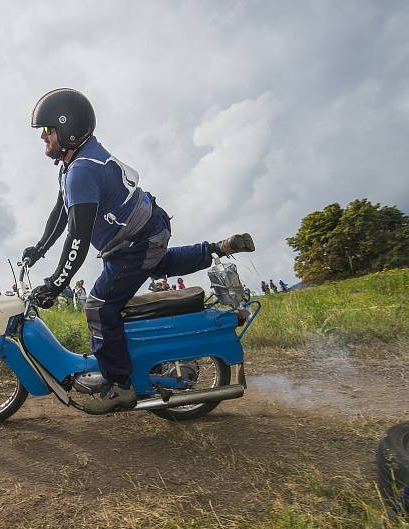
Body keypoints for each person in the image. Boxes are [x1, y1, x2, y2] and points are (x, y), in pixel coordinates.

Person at [22, 88, 256, 412]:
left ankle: (118, 384)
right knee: (154, 264)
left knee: (100, 305)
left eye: (47, 130)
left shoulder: (82, 170)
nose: (43, 137)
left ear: (68, 129)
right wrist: (40, 248)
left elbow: (77, 237)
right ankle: (217, 248)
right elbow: (62, 212)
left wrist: (54, 285)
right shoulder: (74, 161)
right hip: (145, 231)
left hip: (137, 241)